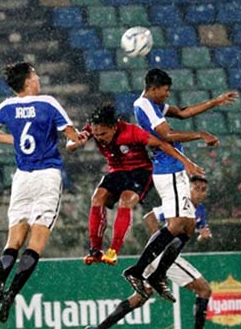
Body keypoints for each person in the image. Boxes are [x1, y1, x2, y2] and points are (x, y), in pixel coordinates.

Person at [0, 62, 88, 323]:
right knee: (36, 242)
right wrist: (80, 140)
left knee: (13, 241)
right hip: (47, 176)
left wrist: (16, 140)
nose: (38, 78)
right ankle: (12, 294)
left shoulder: (6, 107)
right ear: (29, 81)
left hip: (22, 178)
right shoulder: (47, 103)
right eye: (35, 75)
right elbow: (72, 139)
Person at [122, 68, 237, 302]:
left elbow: (183, 113)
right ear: (153, 89)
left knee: (187, 226)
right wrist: (200, 135)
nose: (167, 95)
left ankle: (158, 274)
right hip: (168, 170)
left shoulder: (154, 106)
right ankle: (138, 270)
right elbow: (168, 134)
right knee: (176, 225)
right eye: (165, 91)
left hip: (174, 169)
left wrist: (216, 101)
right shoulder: (144, 105)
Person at [84, 176, 222, 329]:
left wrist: (202, 237)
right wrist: (161, 243)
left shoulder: (200, 210)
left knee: (141, 297)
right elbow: (149, 217)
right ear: (187, 188)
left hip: (163, 255)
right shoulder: (179, 203)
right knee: (204, 290)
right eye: (196, 188)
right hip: (164, 255)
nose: (200, 192)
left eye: (204, 189)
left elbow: (191, 236)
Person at [66, 104, 204, 266]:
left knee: (126, 201)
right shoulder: (93, 129)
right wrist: (76, 142)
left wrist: (186, 162)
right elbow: (70, 146)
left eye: (103, 134)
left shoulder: (132, 132)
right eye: (95, 134)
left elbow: (162, 144)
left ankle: (113, 250)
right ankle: (95, 250)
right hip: (117, 171)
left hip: (140, 172)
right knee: (97, 198)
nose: (99, 138)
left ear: (114, 126)